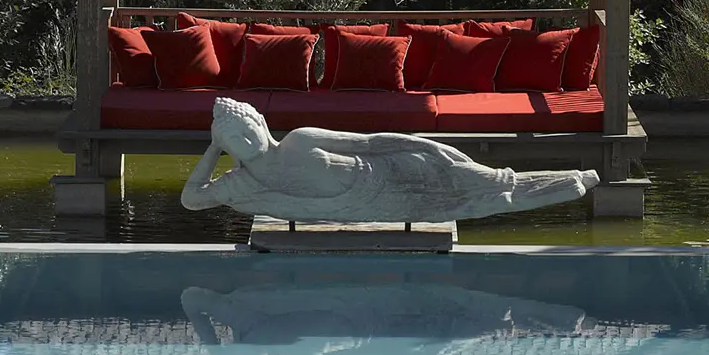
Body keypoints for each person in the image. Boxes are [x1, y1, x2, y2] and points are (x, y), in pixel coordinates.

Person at [180, 95, 597, 225]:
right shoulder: (246, 184)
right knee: (485, 202)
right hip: (387, 203)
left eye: (247, 128)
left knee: (490, 179)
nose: (245, 139)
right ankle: (570, 185)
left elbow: (370, 142)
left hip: (400, 169)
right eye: (234, 140)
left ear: (262, 122)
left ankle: (576, 178)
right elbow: (192, 200)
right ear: (228, 148)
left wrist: (429, 147)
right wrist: (213, 147)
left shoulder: (300, 141)